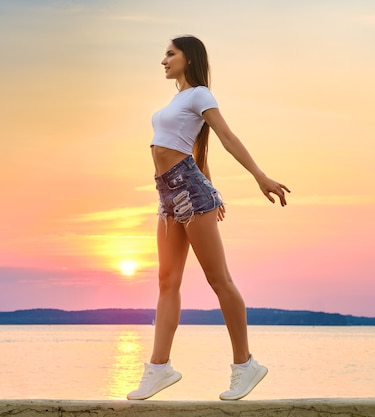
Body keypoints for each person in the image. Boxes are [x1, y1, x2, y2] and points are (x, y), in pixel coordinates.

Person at [126, 35, 290, 401]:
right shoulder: (177, 99)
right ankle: (159, 368)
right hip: (169, 194)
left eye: (171, 53)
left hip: (188, 191)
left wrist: (259, 176)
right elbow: (198, 150)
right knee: (167, 281)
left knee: (219, 280)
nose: (164, 60)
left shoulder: (200, 94)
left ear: (189, 58)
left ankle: (245, 365)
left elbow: (226, 136)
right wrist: (212, 190)